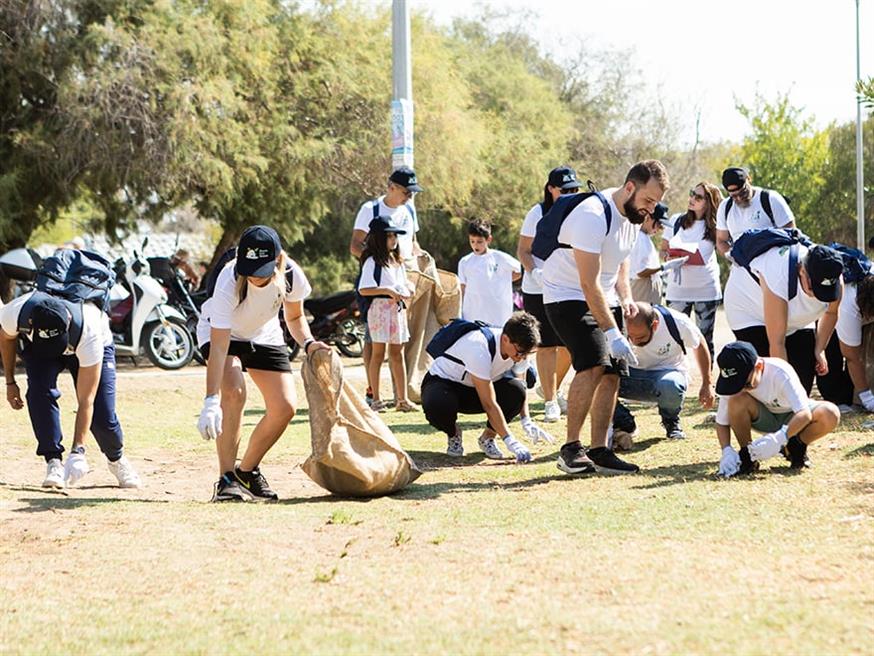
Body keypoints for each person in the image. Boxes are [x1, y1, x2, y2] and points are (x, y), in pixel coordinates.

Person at [542, 159, 670, 475]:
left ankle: (600, 449)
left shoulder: (633, 216)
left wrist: (625, 297)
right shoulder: (593, 215)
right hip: (567, 294)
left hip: (605, 295)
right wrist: (612, 334)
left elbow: (621, 263)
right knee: (594, 363)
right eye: (648, 200)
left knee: (613, 371)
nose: (651, 209)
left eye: (656, 202)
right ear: (629, 187)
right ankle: (570, 449)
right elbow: (588, 282)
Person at [196, 225, 329, 502]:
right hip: (223, 333)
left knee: (284, 408)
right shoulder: (228, 279)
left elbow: (293, 318)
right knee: (234, 393)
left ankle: (246, 471)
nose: (256, 277)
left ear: (278, 259)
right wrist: (211, 400)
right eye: (251, 270)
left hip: (264, 334)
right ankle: (226, 481)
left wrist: (308, 343)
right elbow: (220, 345)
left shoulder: (291, 273)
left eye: (263, 270)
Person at [0, 291, 141, 489]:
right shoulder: (15, 312)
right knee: (39, 393)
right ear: (31, 323)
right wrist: (10, 382)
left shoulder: (89, 328)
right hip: (40, 347)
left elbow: (86, 400)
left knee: (102, 414)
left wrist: (78, 451)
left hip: (84, 342)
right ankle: (53, 462)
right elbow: (6, 338)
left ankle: (116, 459)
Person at [420, 312, 539, 462]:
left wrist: (526, 420)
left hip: (478, 387)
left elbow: (521, 386)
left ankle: (487, 438)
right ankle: (453, 434)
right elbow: (489, 404)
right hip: (446, 384)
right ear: (505, 339)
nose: (523, 357)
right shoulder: (478, 347)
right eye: (521, 352)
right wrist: (511, 441)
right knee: (437, 403)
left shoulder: (520, 351)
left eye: (528, 353)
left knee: (516, 391)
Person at [729, 240, 844, 394]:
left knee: (802, 384)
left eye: (825, 290)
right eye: (814, 288)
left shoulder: (833, 275)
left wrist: (819, 349)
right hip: (750, 310)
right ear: (802, 270)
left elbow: (831, 313)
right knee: (765, 380)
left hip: (797, 316)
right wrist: (788, 394)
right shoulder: (778, 275)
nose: (818, 295)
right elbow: (777, 343)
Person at [349, 166, 423, 405]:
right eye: (405, 191)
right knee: (374, 343)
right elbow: (355, 245)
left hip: (403, 281)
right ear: (391, 187)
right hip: (377, 284)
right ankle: (374, 394)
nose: (409, 196)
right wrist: (377, 261)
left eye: (412, 191)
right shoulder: (371, 209)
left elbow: (413, 242)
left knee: (399, 347)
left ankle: (401, 396)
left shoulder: (409, 210)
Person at [714, 341, 840, 477]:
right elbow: (721, 422)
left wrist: (779, 438)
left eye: (746, 384)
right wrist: (726, 450)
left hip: (792, 417)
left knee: (830, 413)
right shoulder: (734, 386)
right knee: (736, 400)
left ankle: (796, 446)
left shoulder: (779, 371)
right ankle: (748, 456)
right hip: (763, 418)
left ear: (759, 366)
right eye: (735, 385)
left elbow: (804, 413)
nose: (742, 389)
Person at [516, 166, 578, 422]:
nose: (569, 194)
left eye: (574, 190)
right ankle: (551, 401)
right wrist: (533, 272)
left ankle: (550, 387)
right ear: (551, 189)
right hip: (538, 287)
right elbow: (523, 250)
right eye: (564, 190)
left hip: (566, 284)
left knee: (572, 344)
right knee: (547, 345)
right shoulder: (537, 213)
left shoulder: (578, 212)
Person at [620, 302, 714, 439]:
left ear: (655, 325)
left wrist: (707, 383)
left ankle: (671, 421)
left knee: (670, 384)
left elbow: (699, 344)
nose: (634, 342)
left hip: (665, 375)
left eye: (640, 337)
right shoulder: (617, 321)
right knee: (598, 378)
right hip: (629, 376)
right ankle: (623, 422)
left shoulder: (676, 321)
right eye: (630, 337)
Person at [358, 216, 417, 412]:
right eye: (389, 236)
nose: (393, 240)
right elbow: (364, 289)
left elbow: (401, 282)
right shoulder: (372, 262)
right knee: (378, 354)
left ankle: (402, 399)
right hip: (380, 310)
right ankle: (375, 399)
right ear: (378, 238)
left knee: (397, 353)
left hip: (396, 310)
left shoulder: (397, 261)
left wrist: (408, 288)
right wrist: (388, 291)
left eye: (395, 236)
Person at [661, 182, 723, 358]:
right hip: (677, 291)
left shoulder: (716, 226)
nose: (692, 199)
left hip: (706, 290)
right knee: (674, 338)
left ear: (709, 202)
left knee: (704, 339)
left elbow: (724, 247)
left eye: (698, 197)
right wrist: (669, 257)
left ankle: (707, 381)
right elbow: (663, 249)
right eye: (691, 194)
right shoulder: (676, 221)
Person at [837, 266, 874, 411]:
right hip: (835, 315)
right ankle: (859, 399)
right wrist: (867, 399)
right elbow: (851, 356)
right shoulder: (847, 305)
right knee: (838, 356)